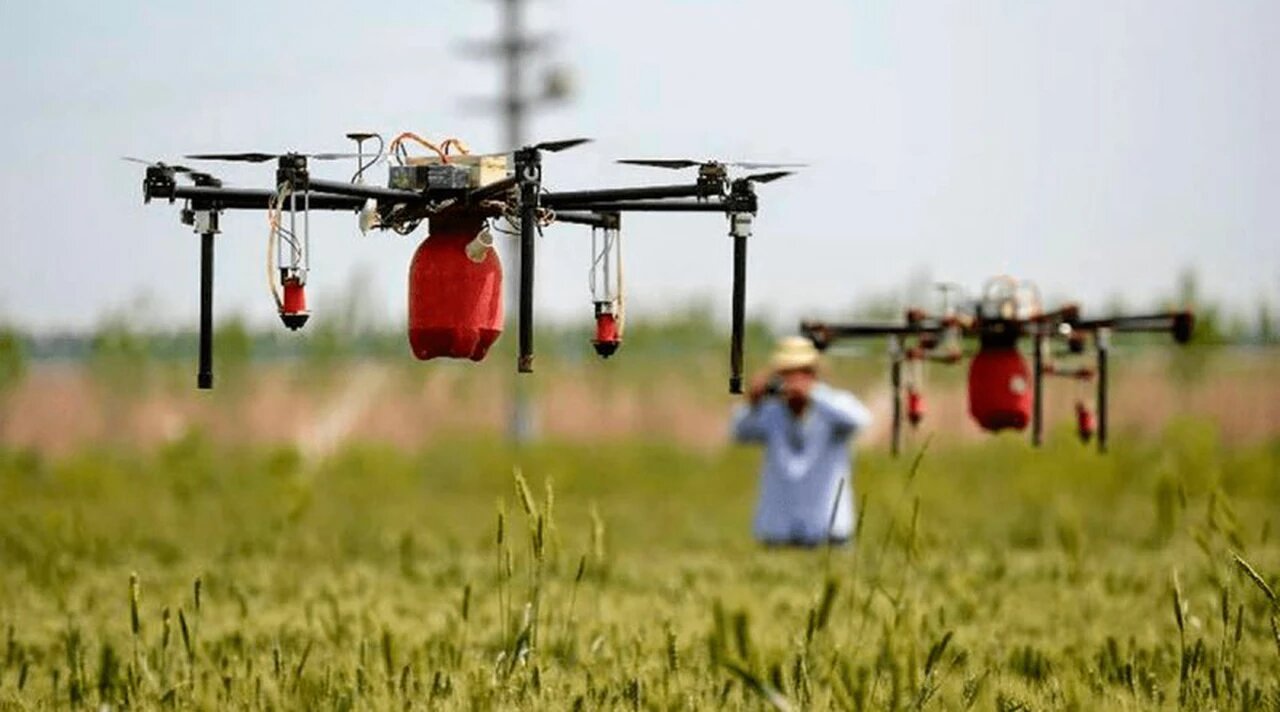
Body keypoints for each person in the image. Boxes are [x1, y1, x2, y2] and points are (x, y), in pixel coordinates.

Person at [731, 336, 872, 547]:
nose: (793, 381)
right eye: (787, 374)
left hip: (829, 530)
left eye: (802, 372)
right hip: (779, 532)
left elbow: (860, 419)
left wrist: (812, 392)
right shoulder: (770, 412)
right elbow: (738, 431)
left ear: (814, 374)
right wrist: (754, 402)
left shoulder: (833, 406)